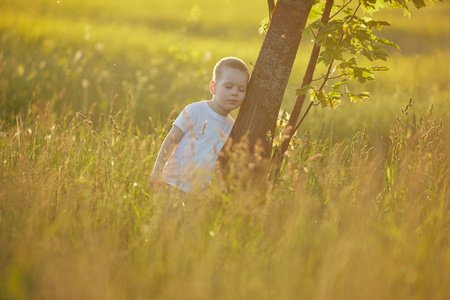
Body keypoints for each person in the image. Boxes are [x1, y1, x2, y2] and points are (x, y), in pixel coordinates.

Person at [148, 56, 250, 196]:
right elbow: (171, 140)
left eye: (241, 89)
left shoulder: (233, 127)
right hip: (171, 183)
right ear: (213, 87)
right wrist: (156, 172)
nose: (234, 92)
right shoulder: (195, 111)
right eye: (228, 86)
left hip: (198, 195)